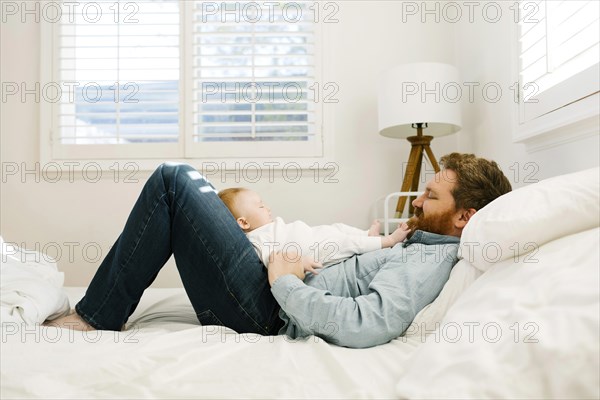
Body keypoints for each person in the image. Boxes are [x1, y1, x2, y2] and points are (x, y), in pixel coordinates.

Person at [47, 153, 512, 348]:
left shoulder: (429, 260)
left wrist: (285, 281)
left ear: (464, 217)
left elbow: (369, 324)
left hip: (267, 308)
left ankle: (97, 316)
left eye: (430, 196)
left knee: (174, 181)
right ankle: (105, 308)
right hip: (267, 288)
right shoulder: (419, 243)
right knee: (178, 183)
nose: (415, 199)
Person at [217, 187, 410, 271]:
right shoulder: (256, 239)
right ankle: (388, 241)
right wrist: (299, 262)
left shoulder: (267, 227)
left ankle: (368, 235)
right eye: (260, 206)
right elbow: (272, 259)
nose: (267, 208)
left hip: (314, 235)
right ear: (243, 223)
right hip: (315, 250)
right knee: (346, 243)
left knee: (338, 228)